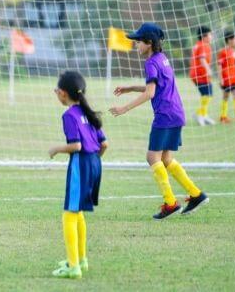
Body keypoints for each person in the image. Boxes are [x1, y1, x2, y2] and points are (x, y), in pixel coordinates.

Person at [110, 23, 209, 220]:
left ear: (149, 43)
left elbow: (151, 93)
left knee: (152, 158)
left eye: (138, 42)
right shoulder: (162, 59)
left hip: (164, 116)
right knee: (165, 159)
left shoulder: (150, 63)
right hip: (176, 114)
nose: (135, 45)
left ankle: (170, 203)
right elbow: (157, 86)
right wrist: (130, 88)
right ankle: (196, 195)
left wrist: (123, 108)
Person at [48, 71, 107, 279]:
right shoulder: (87, 112)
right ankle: (81, 260)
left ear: (63, 93)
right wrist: (94, 160)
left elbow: (76, 145)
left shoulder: (69, 115)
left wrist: (56, 149)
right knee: (78, 212)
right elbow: (104, 144)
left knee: (69, 215)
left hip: (81, 164)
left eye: (56, 90)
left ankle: (73, 267)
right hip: (94, 163)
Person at [217, 31, 235, 123]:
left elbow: (233, 65)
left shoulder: (233, 51)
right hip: (226, 78)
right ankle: (224, 117)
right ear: (229, 40)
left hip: (234, 77)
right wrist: (220, 78)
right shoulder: (223, 52)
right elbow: (219, 65)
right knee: (226, 96)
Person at [190, 26, 215, 126]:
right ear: (204, 36)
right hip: (200, 75)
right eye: (210, 34)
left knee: (206, 95)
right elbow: (202, 59)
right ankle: (199, 114)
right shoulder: (203, 45)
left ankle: (203, 115)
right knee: (208, 95)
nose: (212, 36)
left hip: (196, 74)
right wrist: (208, 70)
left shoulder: (198, 45)